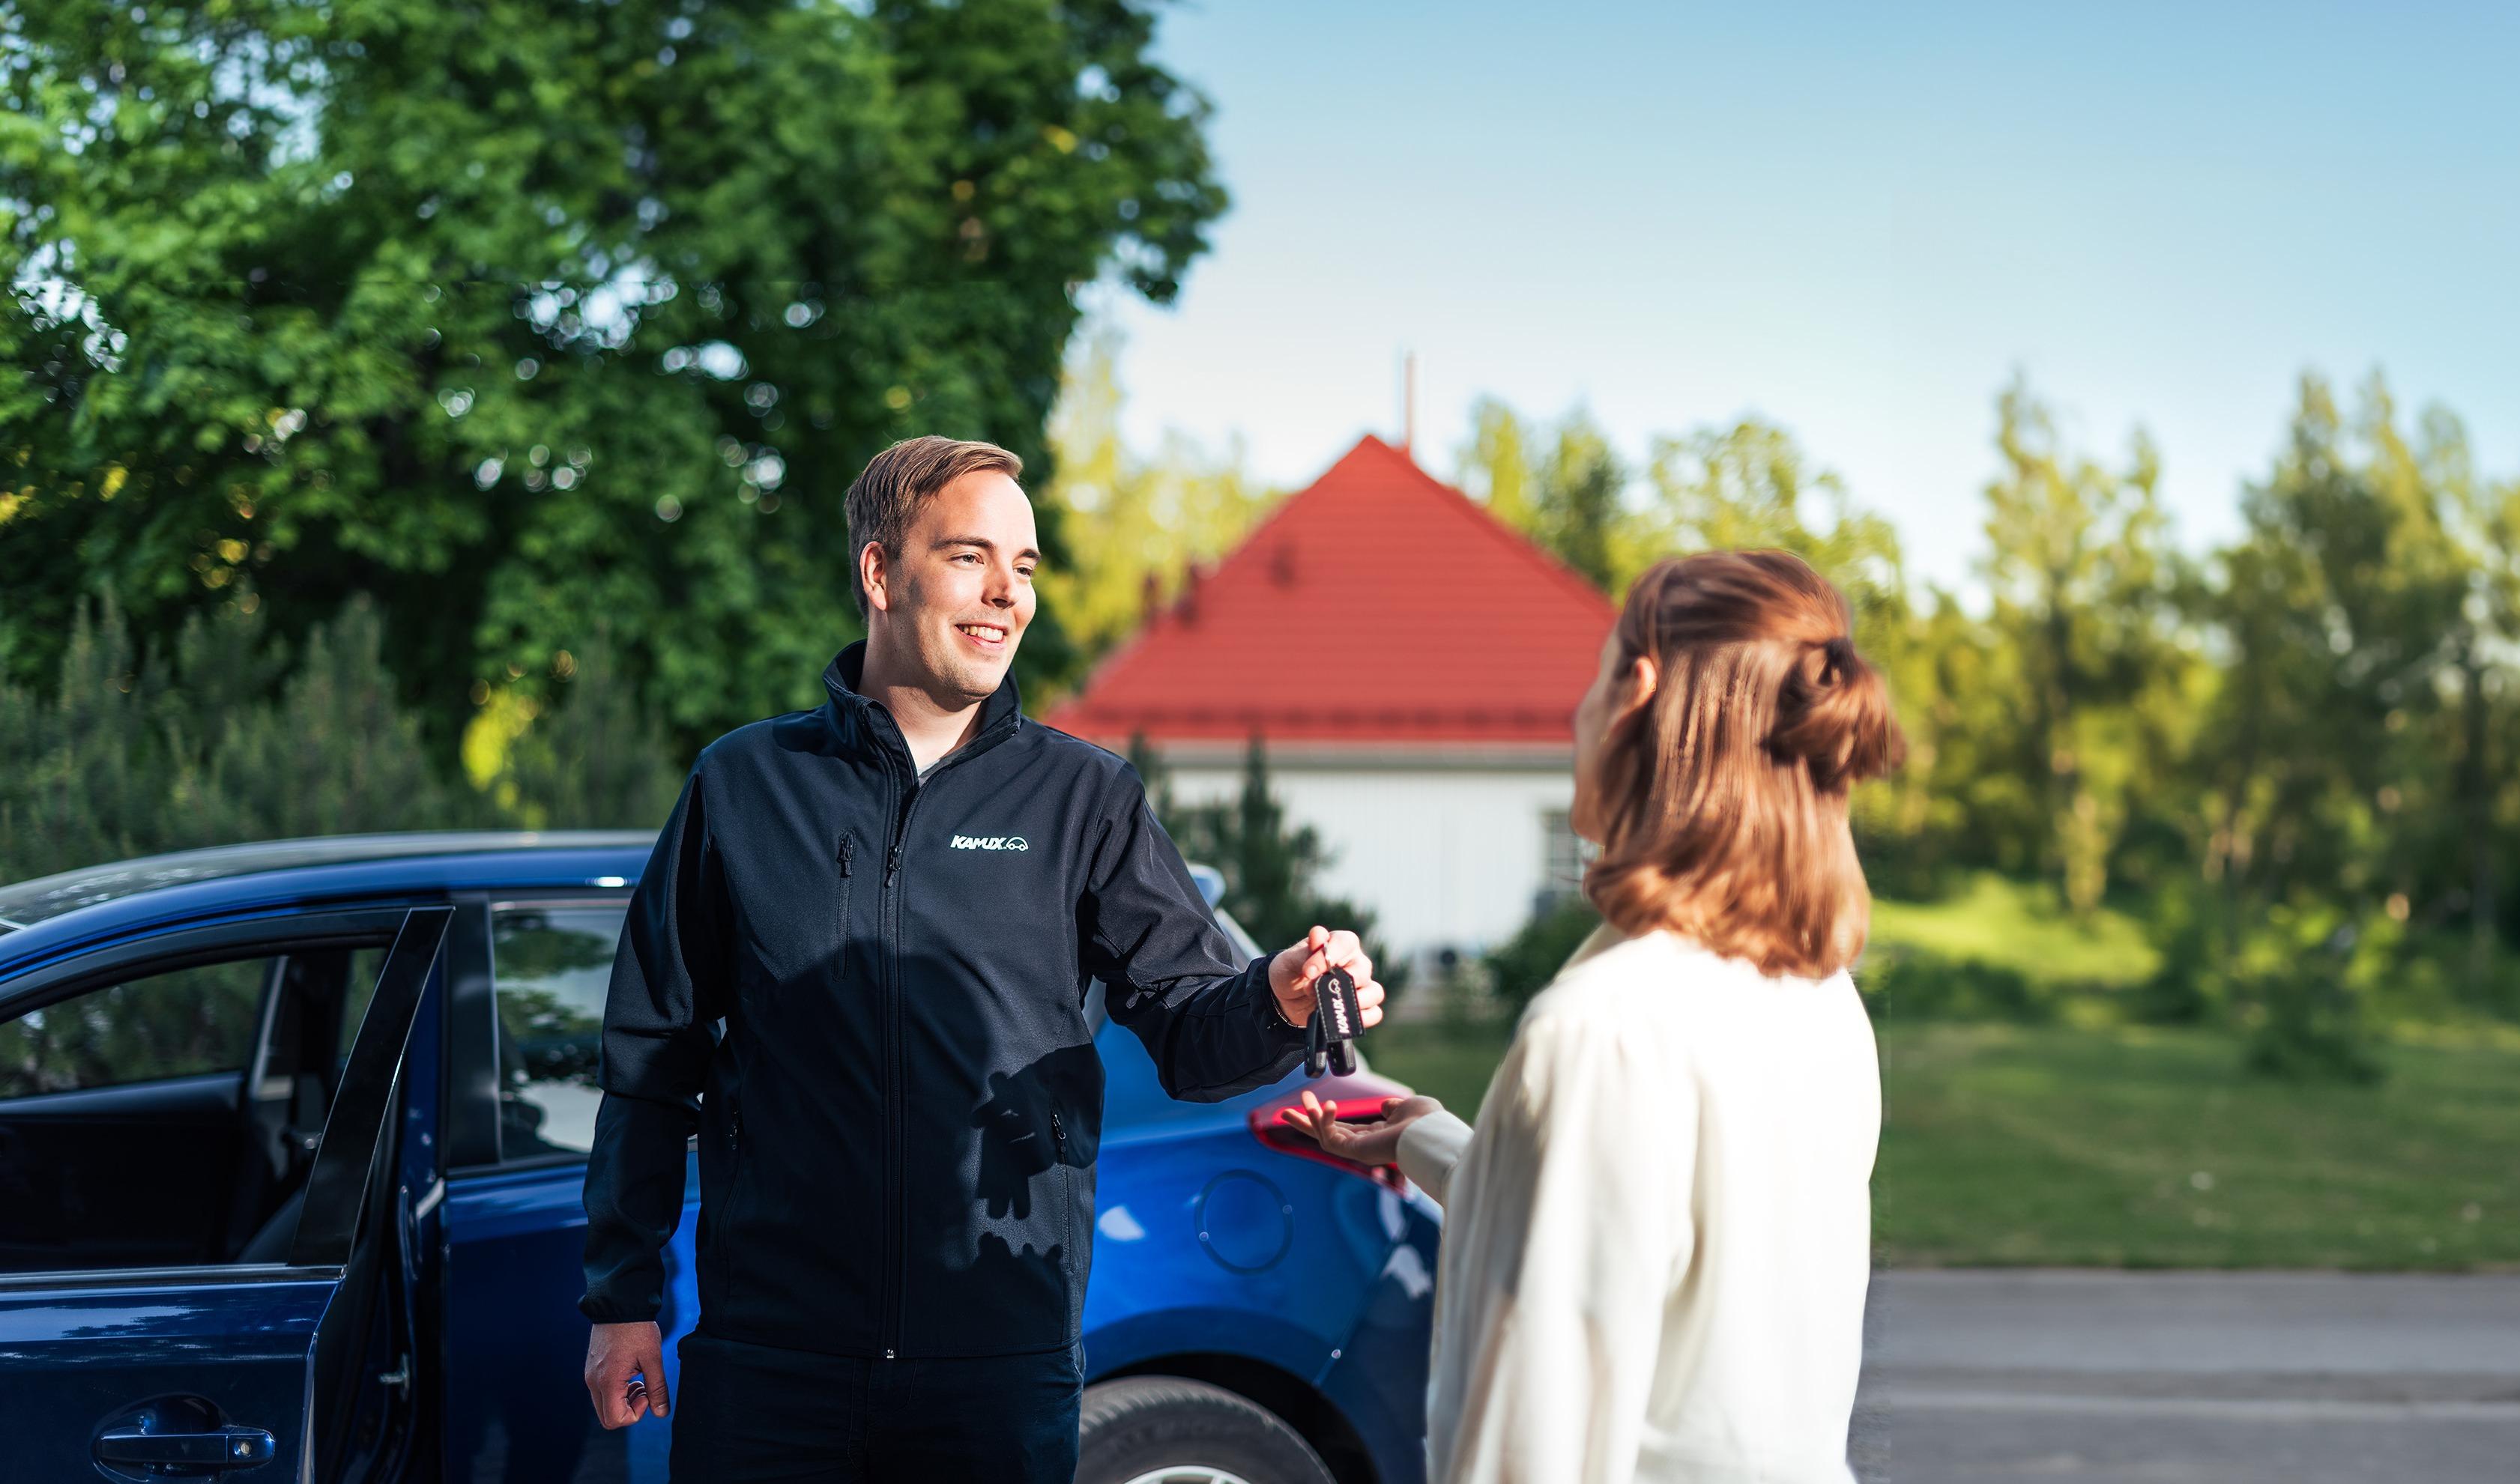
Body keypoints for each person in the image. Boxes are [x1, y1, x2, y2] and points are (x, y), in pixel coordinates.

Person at [578, 436, 1386, 1482]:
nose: (1008, 593)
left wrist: (1275, 1001)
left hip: (997, 1370)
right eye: (970, 557)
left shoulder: (1084, 800)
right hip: (773, 1363)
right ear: (880, 572)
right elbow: (651, 1057)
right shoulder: (743, 785)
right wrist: (620, 1300)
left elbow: (1191, 1036)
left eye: (1027, 565)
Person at [1287, 549, 1903, 1484]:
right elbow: (1626, 1235)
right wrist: (1428, 1140)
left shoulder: (1603, 1027)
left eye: (1594, 671)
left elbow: (1525, 1456)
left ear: (1633, 694)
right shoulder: (1820, 998)